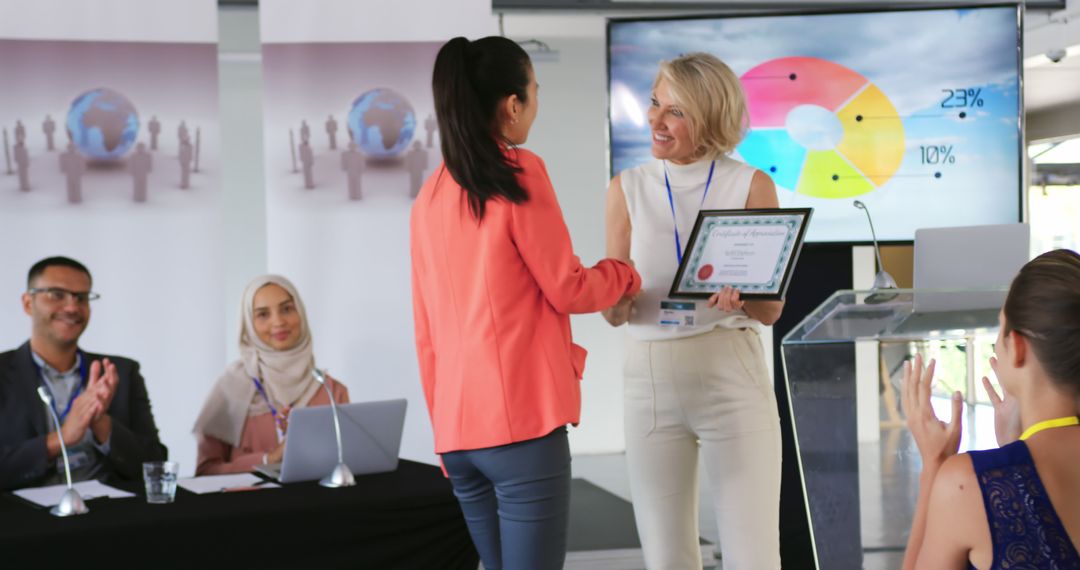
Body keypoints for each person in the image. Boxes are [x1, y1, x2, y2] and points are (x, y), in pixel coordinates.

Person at [410, 36, 641, 570]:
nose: (536, 103)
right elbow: (569, 287)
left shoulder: (429, 197)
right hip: (519, 426)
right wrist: (624, 272)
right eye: (535, 92)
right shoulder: (517, 171)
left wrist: (446, 433)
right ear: (512, 105)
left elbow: (425, 332)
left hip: (457, 434)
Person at [603, 52, 784, 569]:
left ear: (708, 115)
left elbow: (770, 310)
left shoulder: (750, 185)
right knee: (667, 558)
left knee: (754, 556)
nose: (656, 121)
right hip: (649, 380)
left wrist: (744, 297)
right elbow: (614, 314)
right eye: (655, 103)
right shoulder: (626, 188)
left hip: (732, 373)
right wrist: (612, 300)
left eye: (675, 111)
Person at [902, 249, 1080, 569]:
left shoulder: (968, 483)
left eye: (1000, 330)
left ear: (1018, 347)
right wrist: (1015, 447)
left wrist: (934, 465)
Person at [0, 256, 167, 491]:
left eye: (81, 297)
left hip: (109, 516)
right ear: (28, 303)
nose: (72, 307)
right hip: (24, 520)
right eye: (57, 295)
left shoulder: (120, 372)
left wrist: (102, 425)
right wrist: (61, 438)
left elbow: (155, 465)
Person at [193, 275, 349, 475]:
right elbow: (205, 472)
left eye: (286, 309)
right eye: (263, 314)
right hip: (251, 505)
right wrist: (268, 459)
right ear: (248, 323)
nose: (278, 321)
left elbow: (348, 465)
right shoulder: (230, 388)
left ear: (300, 312)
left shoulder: (331, 391)